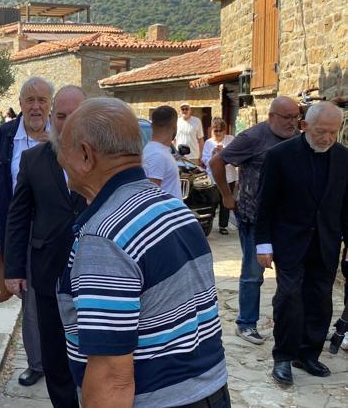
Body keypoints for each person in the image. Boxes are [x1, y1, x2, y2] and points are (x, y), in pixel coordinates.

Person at [55, 97, 228, 407]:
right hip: (211, 392)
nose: (58, 159)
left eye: (62, 149)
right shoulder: (174, 208)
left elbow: (111, 375)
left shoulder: (106, 238)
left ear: (84, 154)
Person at [5, 85, 87, 407]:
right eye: (62, 116)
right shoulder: (33, 160)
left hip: (94, 275)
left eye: (75, 116)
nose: (67, 123)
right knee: (54, 356)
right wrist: (13, 270)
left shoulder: (104, 159)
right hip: (48, 273)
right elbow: (18, 218)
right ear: (54, 118)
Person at [255, 101, 348, 386]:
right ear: (304, 126)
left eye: (334, 133)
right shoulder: (279, 156)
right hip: (289, 243)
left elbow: (346, 206)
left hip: (326, 243)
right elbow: (265, 204)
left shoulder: (344, 158)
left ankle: (308, 354)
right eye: (321, 131)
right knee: (290, 299)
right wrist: (263, 244)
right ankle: (283, 357)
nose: (327, 138)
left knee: (320, 301)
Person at [0, 76, 53, 386]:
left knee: (60, 297)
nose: (35, 107)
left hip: (58, 232)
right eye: (29, 100)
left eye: (41, 100)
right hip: (19, 232)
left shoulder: (61, 135)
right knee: (29, 300)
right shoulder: (6, 136)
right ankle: (38, 363)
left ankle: (65, 354)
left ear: (50, 105)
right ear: (20, 104)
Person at [209, 96, 300, 345]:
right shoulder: (252, 138)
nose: (293, 122)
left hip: (288, 220)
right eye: (287, 117)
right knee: (253, 273)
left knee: (289, 275)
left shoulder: (299, 138)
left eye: (296, 116)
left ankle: (286, 322)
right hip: (254, 218)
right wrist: (226, 196)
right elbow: (217, 161)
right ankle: (246, 323)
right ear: (271, 116)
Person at [201, 117, 237, 235]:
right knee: (212, 202)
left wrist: (224, 152)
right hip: (213, 177)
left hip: (229, 177)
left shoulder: (231, 140)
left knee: (225, 202)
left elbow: (236, 157)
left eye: (220, 131)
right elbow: (205, 160)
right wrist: (212, 154)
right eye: (215, 131)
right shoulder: (208, 142)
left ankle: (223, 226)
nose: (217, 133)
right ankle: (208, 224)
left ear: (224, 131)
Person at [142, 105, 181, 198]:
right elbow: (151, 197)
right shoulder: (157, 154)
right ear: (174, 126)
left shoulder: (158, 151)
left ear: (152, 125)